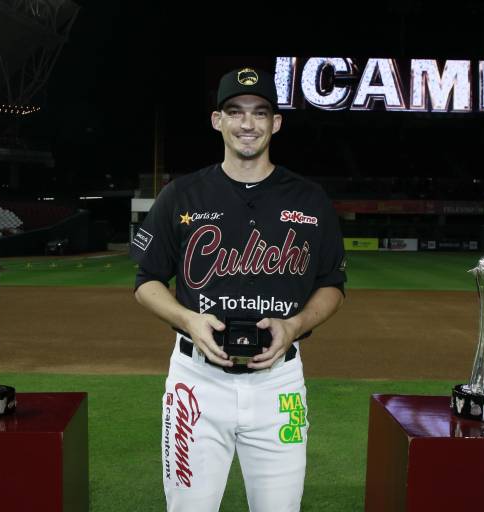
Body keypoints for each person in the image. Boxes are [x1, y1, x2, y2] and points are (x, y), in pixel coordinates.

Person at [130, 66, 347, 512]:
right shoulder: (182, 195)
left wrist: (296, 324)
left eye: (260, 112)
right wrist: (188, 319)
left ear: (276, 123)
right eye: (235, 111)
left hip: (280, 383)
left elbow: (332, 285)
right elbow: (146, 281)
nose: (248, 123)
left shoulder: (310, 200)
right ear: (217, 121)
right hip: (196, 382)